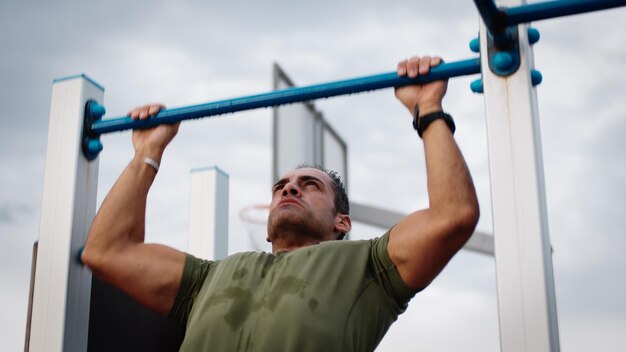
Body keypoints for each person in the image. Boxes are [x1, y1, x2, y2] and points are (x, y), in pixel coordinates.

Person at [81, 56, 479, 351]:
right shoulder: (207, 279)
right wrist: (147, 152)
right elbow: (106, 251)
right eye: (281, 186)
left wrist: (427, 108)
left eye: (309, 185)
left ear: (342, 222)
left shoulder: (371, 267)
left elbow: (453, 215)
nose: (289, 189)